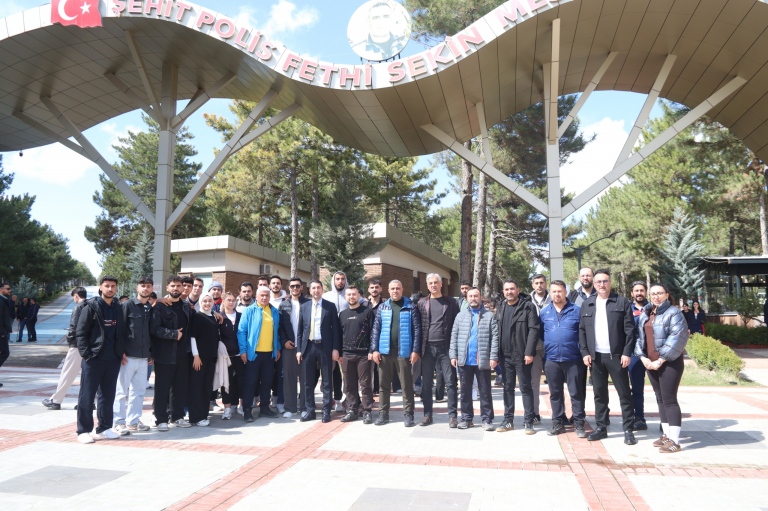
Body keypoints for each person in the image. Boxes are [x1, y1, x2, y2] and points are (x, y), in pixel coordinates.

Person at [578, 269, 637, 445]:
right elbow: (582, 331)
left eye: (605, 281)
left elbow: (630, 331)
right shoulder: (587, 304)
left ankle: (628, 430)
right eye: (598, 282)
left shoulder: (622, 302)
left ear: (610, 283)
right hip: (595, 358)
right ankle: (601, 428)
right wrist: (585, 353)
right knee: (599, 395)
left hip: (617, 357)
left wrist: (626, 353)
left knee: (624, 394)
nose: (602, 285)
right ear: (594, 284)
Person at [635, 283, 689, 453]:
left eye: (659, 293)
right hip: (650, 363)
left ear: (667, 295)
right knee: (660, 398)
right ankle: (666, 435)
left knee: (669, 399)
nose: (656, 296)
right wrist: (643, 357)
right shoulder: (647, 313)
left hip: (669, 362)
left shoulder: (674, 313)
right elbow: (639, 338)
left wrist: (661, 360)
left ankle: (675, 441)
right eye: (653, 294)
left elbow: (677, 338)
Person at [74, 276, 126, 444]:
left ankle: (104, 428)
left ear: (116, 288)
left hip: (113, 359)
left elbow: (121, 332)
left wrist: (120, 352)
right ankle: (83, 430)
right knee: (87, 395)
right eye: (107, 286)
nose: (110, 289)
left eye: (113, 286)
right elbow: (81, 332)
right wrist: (87, 355)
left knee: (107, 395)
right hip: (94, 359)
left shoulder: (118, 308)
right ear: (101, 288)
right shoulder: (91, 307)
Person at [370, 280, 422, 427]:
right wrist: (375, 350)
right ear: (388, 290)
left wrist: (415, 350)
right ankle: (383, 414)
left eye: (398, 288)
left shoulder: (410, 306)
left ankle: (409, 414)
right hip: (384, 352)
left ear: (402, 289)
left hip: (403, 352)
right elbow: (376, 329)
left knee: (406, 385)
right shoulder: (383, 307)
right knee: (383, 385)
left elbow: (417, 330)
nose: (395, 291)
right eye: (392, 288)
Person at [540, 281, 587, 437]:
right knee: (555, 394)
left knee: (576, 393)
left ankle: (579, 423)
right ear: (550, 293)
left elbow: (583, 333)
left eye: (560, 291)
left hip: (573, 359)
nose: (557, 294)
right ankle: (558, 422)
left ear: (565, 292)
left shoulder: (577, 310)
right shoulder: (545, 312)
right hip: (551, 359)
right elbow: (542, 334)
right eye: (553, 291)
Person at [450, 287, 499, 431]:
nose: (473, 298)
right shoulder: (460, 316)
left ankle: (487, 419)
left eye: (476, 296)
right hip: (464, 360)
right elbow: (454, 336)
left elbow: (495, 338)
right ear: (467, 298)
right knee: (465, 392)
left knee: (485, 392)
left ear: (480, 297)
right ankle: (466, 419)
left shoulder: (489, 316)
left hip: (482, 360)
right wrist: (453, 355)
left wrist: (493, 356)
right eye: (470, 296)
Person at [495, 279, 539, 434]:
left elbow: (534, 330)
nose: (509, 292)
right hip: (505, 356)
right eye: (506, 289)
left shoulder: (528, 306)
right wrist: (496, 354)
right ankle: (508, 420)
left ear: (518, 290)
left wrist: (529, 352)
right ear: (503, 292)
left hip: (522, 356)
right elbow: (497, 330)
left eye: (512, 289)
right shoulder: (501, 306)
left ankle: (529, 421)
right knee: (507, 388)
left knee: (526, 388)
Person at [150, 275, 194, 430]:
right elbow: (154, 329)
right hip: (164, 355)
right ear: (167, 288)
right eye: (173, 286)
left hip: (183, 354)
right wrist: (174, 334)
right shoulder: (160, 306)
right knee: (162, 389)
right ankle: (161, 419)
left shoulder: (186, 306)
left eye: (179, 286)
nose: (176, 288)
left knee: (180, 388)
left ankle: (178, 417)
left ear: (183, 288)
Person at [417, 273, 460, 428]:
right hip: (427, 349)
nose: (433, 285)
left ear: (441, 284)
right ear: (427, 285)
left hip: (446, 349)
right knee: (426, 384)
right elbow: (418, 327)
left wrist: (456, 349)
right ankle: (427, 415)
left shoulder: (451, 302)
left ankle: (452, 416)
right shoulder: (422, 303)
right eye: (430, 283)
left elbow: (457, 325)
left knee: (451, 383)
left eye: (436, 282)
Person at [113, 277, 153, 434]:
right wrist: (120, 351)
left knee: (139, 392)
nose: (145, 288)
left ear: (151, 289)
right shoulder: (127, 305)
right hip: (127, 357)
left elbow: (150, 332)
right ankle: (119, 422)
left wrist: (150, 353)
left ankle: (133, 421)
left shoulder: (149, 307)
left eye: (148, 286)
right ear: (137, 288)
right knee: (121, 391)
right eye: (143, 286)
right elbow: (119, 329)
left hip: (143, 357)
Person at [296, 281, 341, 422]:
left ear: (322, 290)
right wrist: (299, 350)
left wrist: (335, 349)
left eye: (318, 288)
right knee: (307, 382)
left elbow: (336, 330)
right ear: (310, 290)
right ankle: (310, 411)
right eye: (313, 288)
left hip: (325, 347)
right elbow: (300, 331)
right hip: (308, 347)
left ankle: (326, 411)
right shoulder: (304, 307)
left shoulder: (330, 306)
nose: (316, 290)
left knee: (327, 381)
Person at [238, 287, 281, 422]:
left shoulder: (274, 311)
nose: (264, 298)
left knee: (267, 383)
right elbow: (241, 331)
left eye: (267, 295)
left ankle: (264, 408)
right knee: (250, 382)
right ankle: (247, 409)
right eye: (262, 295)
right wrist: (243, 350)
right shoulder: (249, 311)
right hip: (253, 354)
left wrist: (277, 348)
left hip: (269, 354)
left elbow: (276, 332)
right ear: (256, 296)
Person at [43, 288, 89, 409]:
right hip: (90, 346)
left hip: (77, 345)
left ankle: (56, 401)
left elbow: (74, 327)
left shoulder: (78, 307)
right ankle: (88, 402)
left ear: (76, 296)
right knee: (88, 375)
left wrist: (70, 339)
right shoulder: (92, 306)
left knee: (67, 373)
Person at [323, 271, 360, 411]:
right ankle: (334, 398)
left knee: (349, 372)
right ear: (333, 280)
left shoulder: (349, 296)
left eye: (342, 279)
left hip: (347, 339)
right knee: (331, 371)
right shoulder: (326, 296)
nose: (340, 281)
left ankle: (351, 400)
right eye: (337, 279)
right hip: (330, 339)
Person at [339, 285, 375, 423]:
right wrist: (340, 353)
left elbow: (373, 333)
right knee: (349, 384)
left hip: (364, 355)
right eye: (349, 295)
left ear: (359, 295)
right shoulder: (342, 314)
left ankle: (367, 411)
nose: (351, 297)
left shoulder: (367, 312)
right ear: (345, 297)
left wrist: (372, 350)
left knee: (365, 384)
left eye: (354, 294)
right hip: (347, 354)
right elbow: (339, 335)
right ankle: (352, 410)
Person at [278, 277, 309, 418]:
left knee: (305, 378)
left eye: (297, 285)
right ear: (289, 288)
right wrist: (284, 341)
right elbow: (280, 327)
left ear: (301, 287)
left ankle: (304, 407)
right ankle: (290, 408)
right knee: (289, 378)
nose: (295, 288)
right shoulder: (283, 305)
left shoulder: (308, 303)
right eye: (292, 286)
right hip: (289, 347)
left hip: (305, 347)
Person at [189, 293, 221, 427]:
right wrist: (196, 356)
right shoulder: (196, 316)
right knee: (197, 387)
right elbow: (192, 337)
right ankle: (196, 417)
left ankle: (203, 415)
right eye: (204, 301)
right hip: (199, 359)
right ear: (200, 303)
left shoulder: (213, 316)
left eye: (209, 301)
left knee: (207, 387)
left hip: (211, 358)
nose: (207, 303)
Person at [529, 273, 551, 423]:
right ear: (533, 285)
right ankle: (534, 413)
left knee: (555, 383)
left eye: (542, 282)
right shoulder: (526, 301)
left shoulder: (554, 299)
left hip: (552, 347)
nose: (539, 285)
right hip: (535, 348)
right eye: (536, 283)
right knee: (533, 382)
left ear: (546, 284)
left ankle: (559, 415)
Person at [219, 292, 244, 419]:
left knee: (242, 381)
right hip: (226, 356)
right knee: (226, 383)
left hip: (240, 354)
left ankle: (242, 406)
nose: (231, 302)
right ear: (223, 301)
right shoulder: (220, 317)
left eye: (233, 300)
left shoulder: (241, 316)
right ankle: (227, 409)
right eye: (229, 300)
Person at [629, 281, 649, 431]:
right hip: (635, 354)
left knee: (660, 390)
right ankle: (639, 418)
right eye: (636, 291)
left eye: (642, 290)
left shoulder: (653, 309)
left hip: (653, 353)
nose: (639, 293)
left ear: (646, 292)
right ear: (632, 294)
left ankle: (666, 421)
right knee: (637, 388)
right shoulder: (627, 310)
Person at [268, 276, 286, 412]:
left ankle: (280, 401)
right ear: (269, 285)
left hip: (281, 343)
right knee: (268, 374)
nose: (275, 285)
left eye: (278, 283)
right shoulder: (264, 300)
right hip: (266, 344)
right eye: (273, 283)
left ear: (281, 286)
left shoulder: (286, 301)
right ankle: (267, 399)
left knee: (281, 374)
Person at [367, 279, 384, 396]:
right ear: (369, 289)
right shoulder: (364, 305)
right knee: (368, 370)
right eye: (372, 287)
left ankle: (380, 392)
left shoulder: (385, 305)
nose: (374, 289)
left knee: (381, 369)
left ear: (381, 289)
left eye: (377, 287)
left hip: (381, 341)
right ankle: (370, 393)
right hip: (366, 342)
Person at [0, 282, 13, 385]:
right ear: (1, 290)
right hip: (1, 333)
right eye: (7, 289)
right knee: (5, 353)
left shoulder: (3, 300)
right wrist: (2, 332)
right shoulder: (0, 301)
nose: (10, 290)